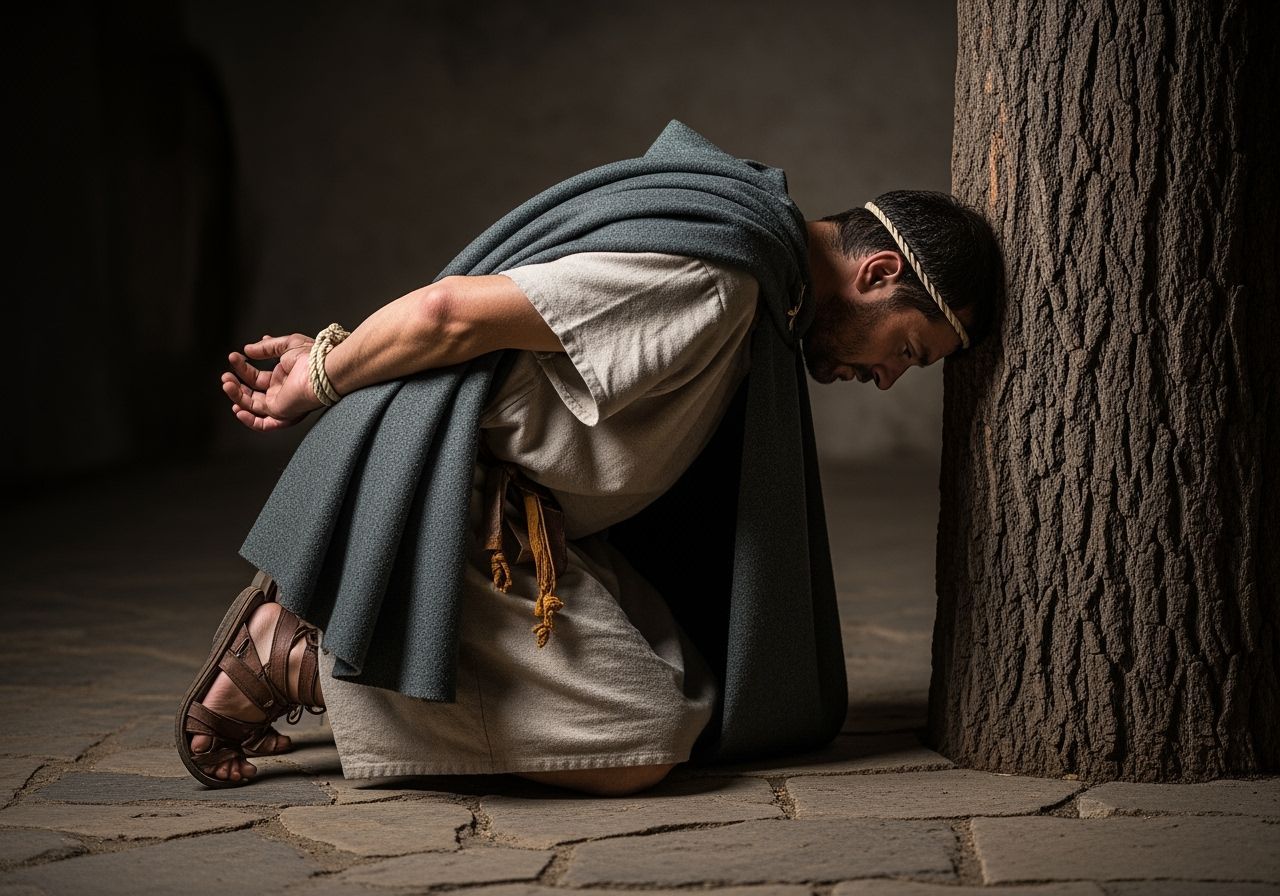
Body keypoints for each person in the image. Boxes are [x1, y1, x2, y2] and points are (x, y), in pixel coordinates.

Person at [176, 121, 1002, 797]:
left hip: (536, 521)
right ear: (879, 271)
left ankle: (343, 636)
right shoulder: (713, 281)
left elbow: (518, 327)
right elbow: (452, 312)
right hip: (460, 513)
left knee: (690, 681)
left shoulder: (750, 235)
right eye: (908, 350)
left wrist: (346, 352)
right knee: (635, 744)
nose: (888, 379)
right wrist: (321, 378)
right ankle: (308, 653)